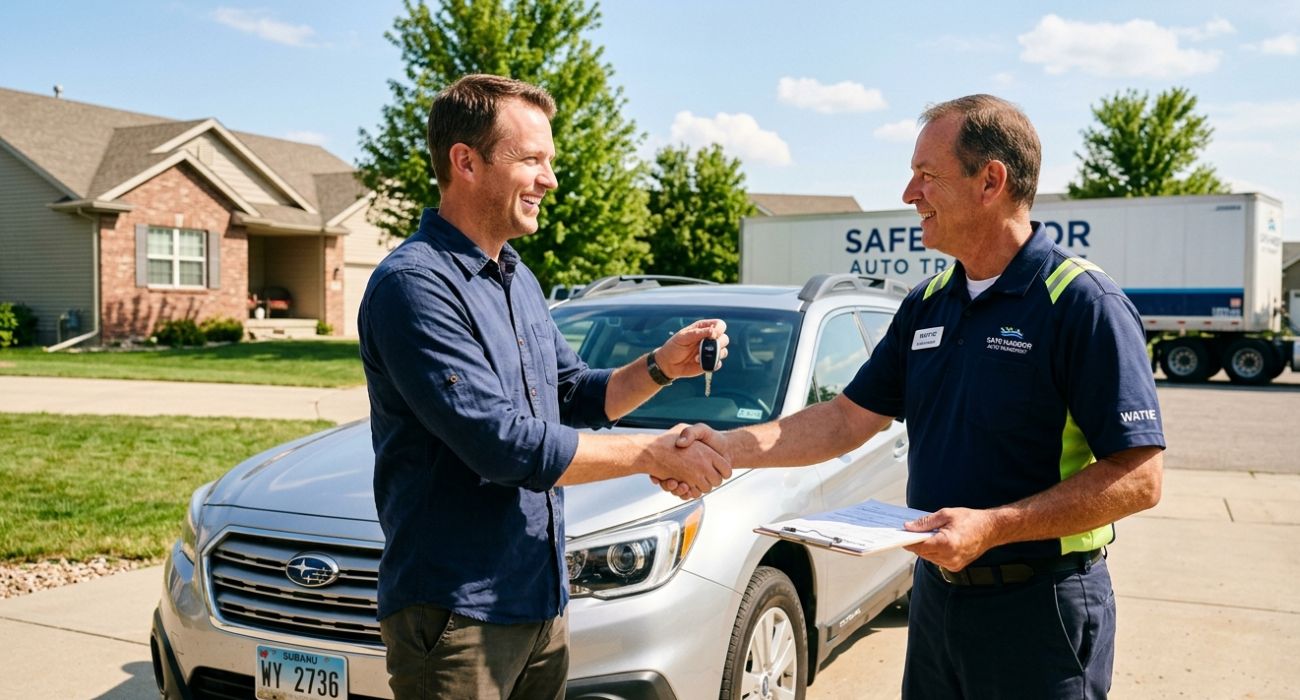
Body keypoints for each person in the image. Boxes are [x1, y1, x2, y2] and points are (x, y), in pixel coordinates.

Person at [671, 94, 1164, 699]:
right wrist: (725, 446)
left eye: (927, 175)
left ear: (990, 181)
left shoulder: (1081, 303)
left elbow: (1140, 477)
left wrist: (993, 527)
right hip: (937, 600)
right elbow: (844, 420)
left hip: (1042, 609)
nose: (910, 194)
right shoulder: (928, 303)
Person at [358, 74, 730, 699]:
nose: (550, 180)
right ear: (465, 161)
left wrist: (663, 365)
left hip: (539, 598)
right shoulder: (414, 286)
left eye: (549, 161)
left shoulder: (516, 276)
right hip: (456, 614)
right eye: (531, 159)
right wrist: (654, 454)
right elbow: (502, 445)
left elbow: (576, 394)